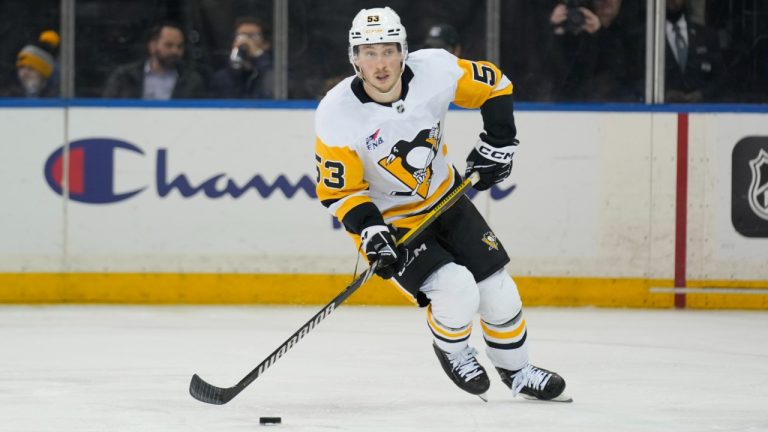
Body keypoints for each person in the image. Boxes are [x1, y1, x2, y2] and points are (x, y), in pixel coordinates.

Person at [314, 7, 570, 402]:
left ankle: (518, 371)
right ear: (355, 58)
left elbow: (495, 85)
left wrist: (499, 141)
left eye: (388, 51)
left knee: (499, 292)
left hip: (447, 200)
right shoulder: (336, 113)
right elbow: (341, 191)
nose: (380, 64)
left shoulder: (435, 69)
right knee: (456, 291)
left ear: (403, 51)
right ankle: (454, 351)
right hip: (393, 223)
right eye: (369, 53)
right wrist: (371, 230)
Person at [102, 22, 205, 99]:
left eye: (180, 46)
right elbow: (106, 110)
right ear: (152, 46)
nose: (175, 51)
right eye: (169, 45)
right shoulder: (124, 76)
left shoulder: (192, 82)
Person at [664, 0, 724, 102]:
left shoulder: (707, 36)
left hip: (702, 110)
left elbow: (720, 78)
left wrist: (703, 94)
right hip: (659, 110)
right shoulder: (645, 38)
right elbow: (636, 80)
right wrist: (663, 93)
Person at [209, 16, 274, 99]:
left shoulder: (274, 72)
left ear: (266, 44)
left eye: (253, 36)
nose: (245, 42)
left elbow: (276, 86)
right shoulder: (222, 77)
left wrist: (258, 55)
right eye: (240, 36)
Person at [3, 30, 60, 98]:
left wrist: (33, 93)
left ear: (43, 73)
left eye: (31, 69)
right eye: (21, 68)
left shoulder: (58, 95)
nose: (25, 73)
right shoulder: (9, 94)